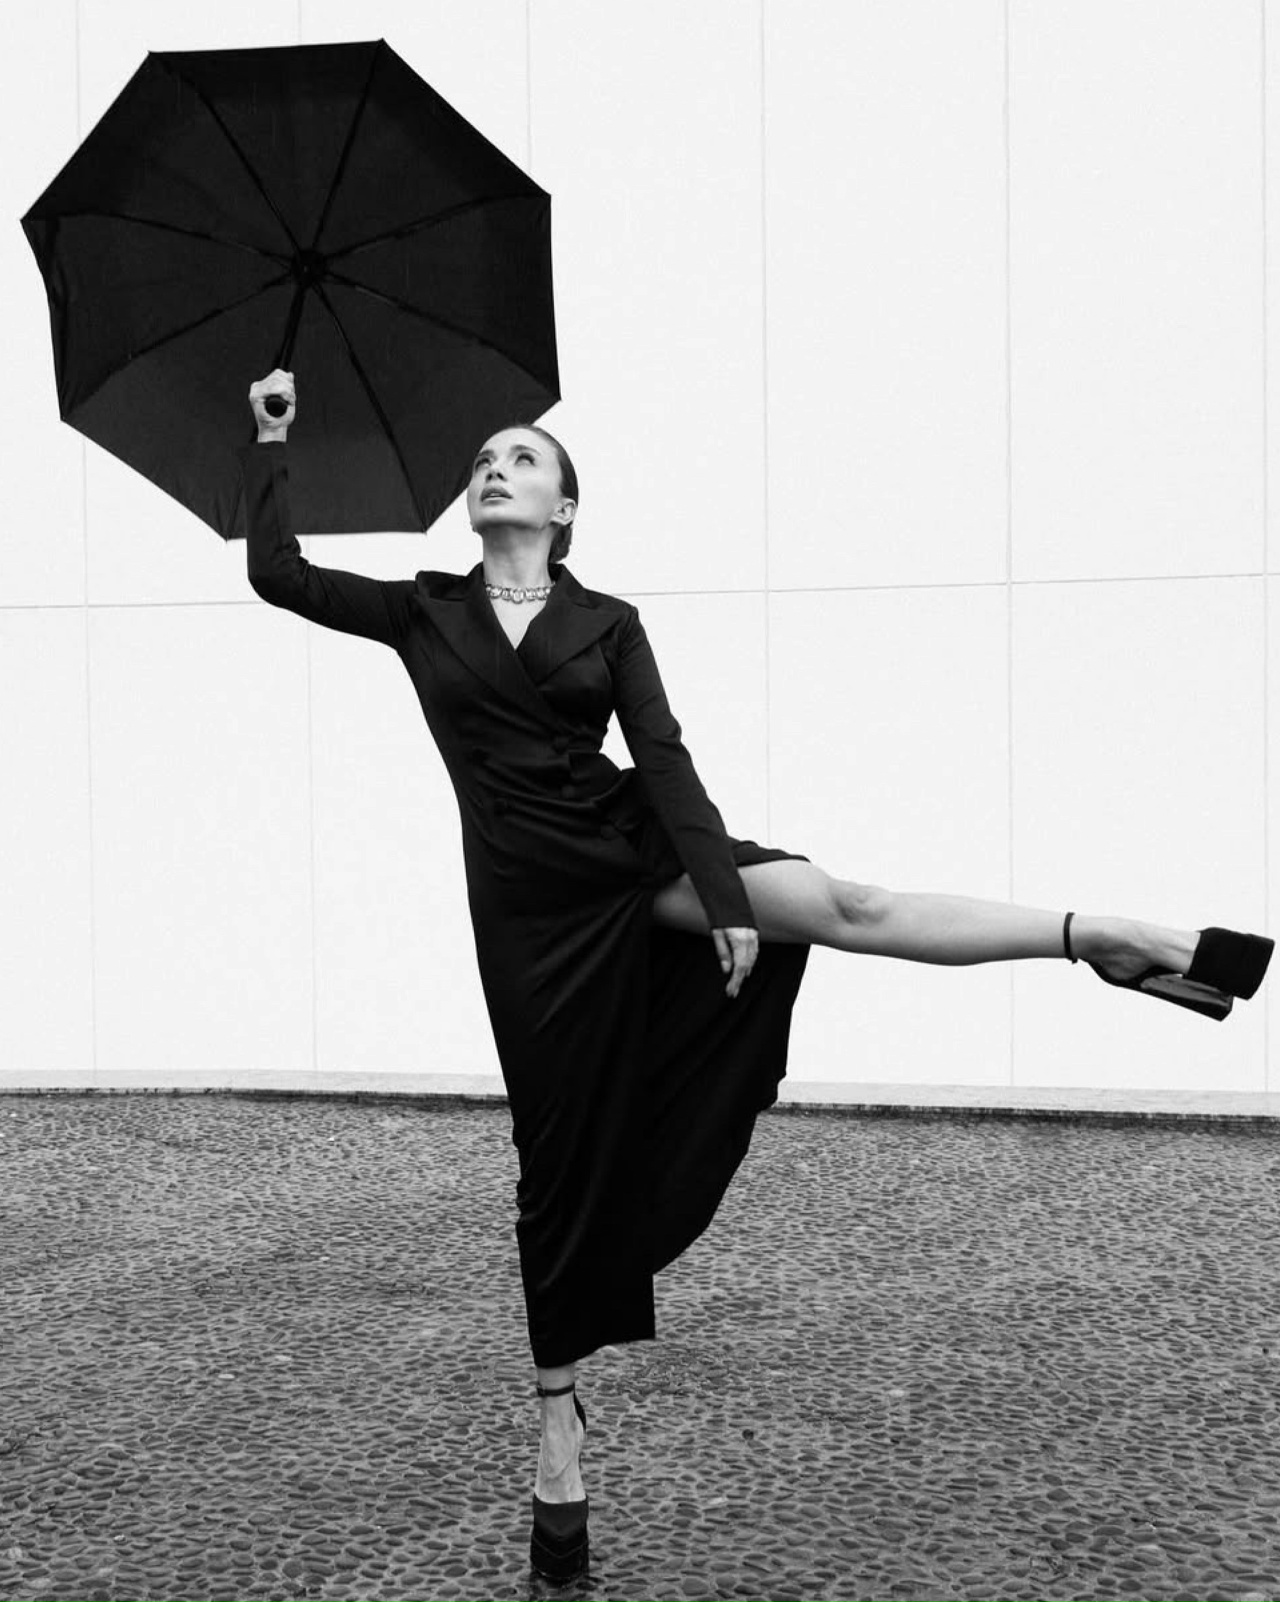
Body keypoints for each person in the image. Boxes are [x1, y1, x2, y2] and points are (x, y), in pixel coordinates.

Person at [241, 367, 1273, 1582]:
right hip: (530, 910)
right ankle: (557, 1422)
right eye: (485, 460)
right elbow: (280, 575)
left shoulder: (606, 620)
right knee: (553, 1157)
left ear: (564, 509)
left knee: (841, 903)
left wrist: (724, 900)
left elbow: (664, 759)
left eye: (521, 458)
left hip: (628, 846)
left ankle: (1104, 936)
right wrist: (272, 441)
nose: (494, 468)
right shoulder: (423, 609)